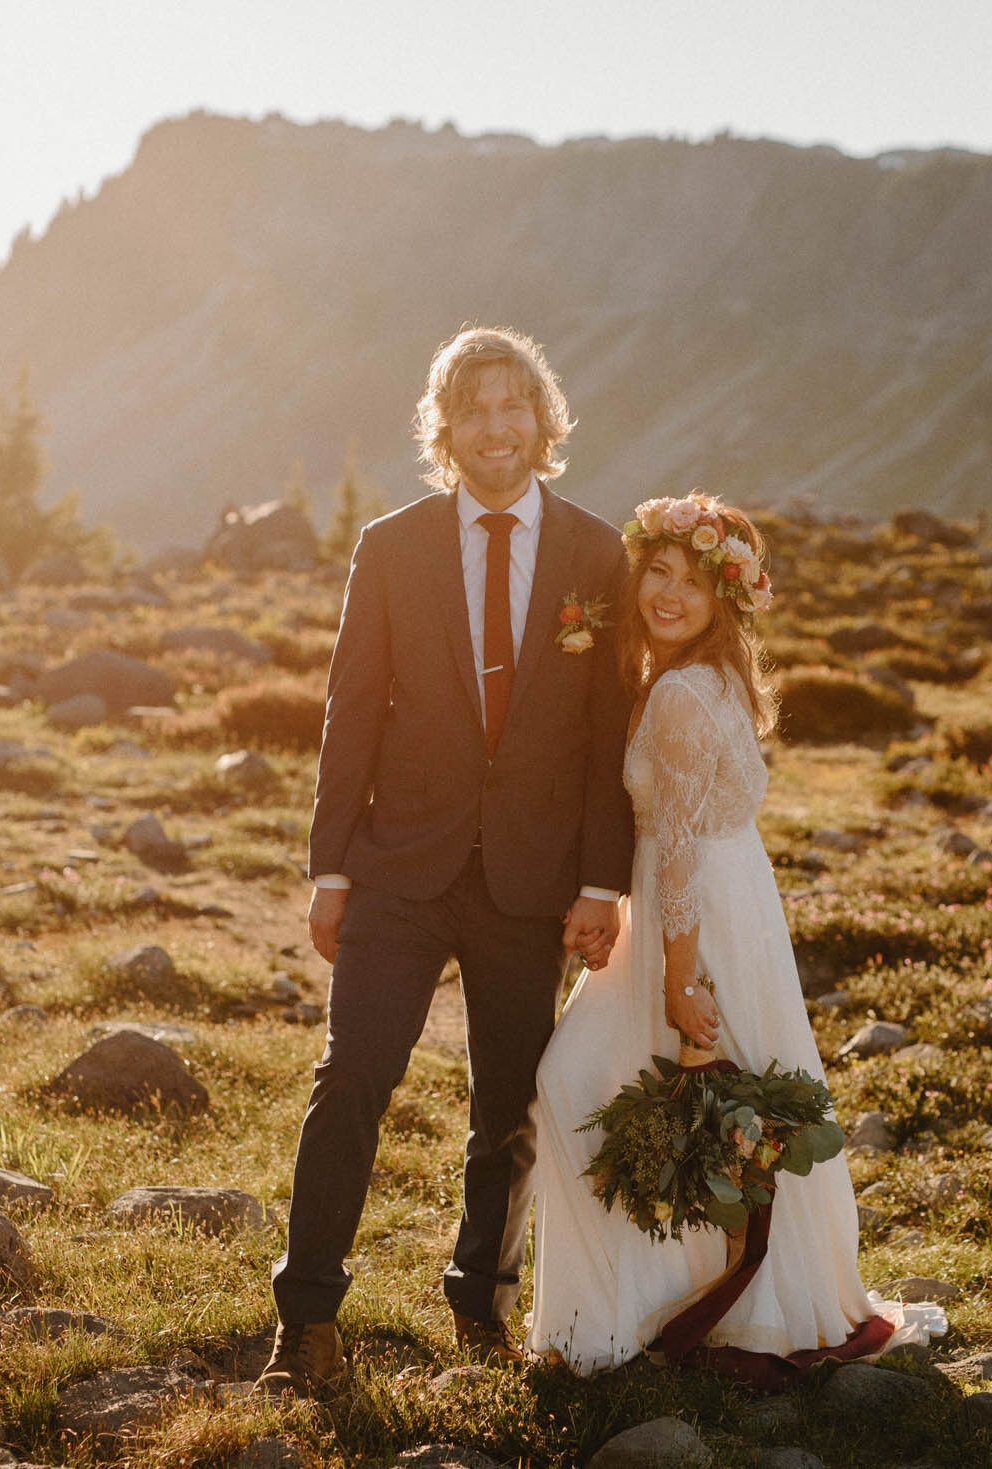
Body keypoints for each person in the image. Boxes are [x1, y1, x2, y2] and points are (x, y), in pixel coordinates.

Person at [260, 327, 637, 1395]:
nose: (496, 428)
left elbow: (609, 732)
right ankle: (307, 1318)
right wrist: (330, 865)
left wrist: (599, 882)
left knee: (510, 1104)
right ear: (446, 427)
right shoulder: (392, 545)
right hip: (398, 869)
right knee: (350, 1082)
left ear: (543, 422)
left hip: (530, 881)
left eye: (514, 407)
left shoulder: (593, 552)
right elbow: (349, 711)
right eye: (474, 410)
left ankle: (482, 1297)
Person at [525, 493, 947, 1373]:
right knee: (707, 1106)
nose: (668, 594)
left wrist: (680, 978)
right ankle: (672, 1299)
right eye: (659, 573)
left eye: (691, 582)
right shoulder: (705, 678)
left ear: (727, 599)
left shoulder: (680, 692)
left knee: (584, 1085)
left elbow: (673, 849)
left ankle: (625, 1318)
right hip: (733, 904)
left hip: (697, 921)